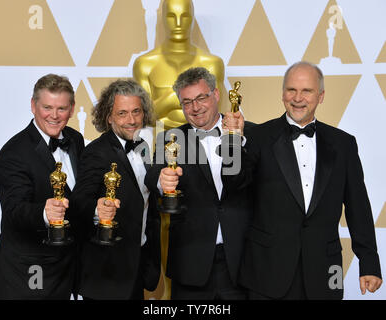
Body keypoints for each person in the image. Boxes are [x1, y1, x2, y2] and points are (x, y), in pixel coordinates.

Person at [236, 61, 382, 299]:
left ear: (321, 96)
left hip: (325, 272)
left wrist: (369, 262)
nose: (298, 98)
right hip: (266, 273)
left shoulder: (343, 144)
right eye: (291, 90)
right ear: (282, 93)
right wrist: (232, 141)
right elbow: (234, 184)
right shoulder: (257, 137)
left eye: (307, 91)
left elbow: (359, 207)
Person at [145, 67, 254, 299]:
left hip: (242, 260)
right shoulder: (170, 138)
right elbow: (153, 175)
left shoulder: (250, 133)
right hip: (191, 261)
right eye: (187, 102)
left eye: (201, 98)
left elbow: (246, 181)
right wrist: (161, 181)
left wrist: (235, 139)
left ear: (216, 95)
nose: (195, 107)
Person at [0, 74, 84, 299]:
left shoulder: (75, 140)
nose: (54, 116)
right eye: (47, 107)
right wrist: (44, 212)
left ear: (72, 109)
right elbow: (14, 210)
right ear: (33, 106)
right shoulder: (14, 153)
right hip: (27, 271)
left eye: (62, 108)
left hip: (65, 267)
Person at [70, 79, 161, 299]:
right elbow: (78, 202)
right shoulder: (96, 152)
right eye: (122, 113)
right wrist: (96, 209)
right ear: (108, 117)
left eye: (136, 111)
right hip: (107, 274)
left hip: (138, 264)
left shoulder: (143, 147)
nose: (131, 120)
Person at [133, 0, 225, 129]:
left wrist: (166, 103)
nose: (178, 23)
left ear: (192, 18)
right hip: (160, 142)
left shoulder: (212, 64)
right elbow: (143, 117)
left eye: (185, 16)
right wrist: (171, 99)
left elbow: (215, 114)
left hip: (203, 141)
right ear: (163, 18)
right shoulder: (145, 64)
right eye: (171, 16)